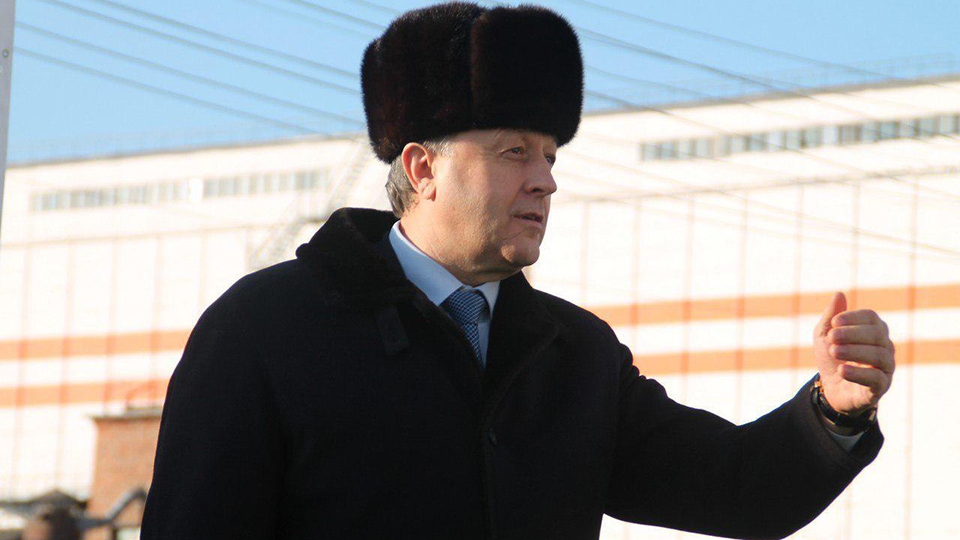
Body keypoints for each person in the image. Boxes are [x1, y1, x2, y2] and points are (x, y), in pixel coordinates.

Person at [140, 3, 895, 539]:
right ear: (422, 168)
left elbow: (735, 488)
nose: (546, 181)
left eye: (550, 155)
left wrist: (836, 410)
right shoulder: (265, 331)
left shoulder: (576, 357)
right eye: (514, 152)